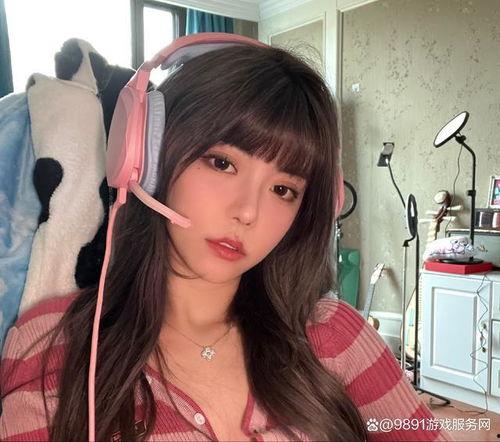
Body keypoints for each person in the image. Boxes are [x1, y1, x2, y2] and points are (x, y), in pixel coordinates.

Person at [0, 35, 452, 442]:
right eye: (222, 163)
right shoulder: (55, 346)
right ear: (148, 156)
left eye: (283, 190)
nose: (248, 212)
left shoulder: (336, 335)